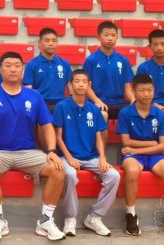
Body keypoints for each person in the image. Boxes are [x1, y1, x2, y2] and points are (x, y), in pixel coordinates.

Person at [0, 52, 67, 241]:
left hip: (28, 152)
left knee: (58, 169)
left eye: (17, 65)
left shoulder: (34, 95)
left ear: (23, 70)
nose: (13, 69)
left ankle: (45, 221)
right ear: (0, 69)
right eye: (8, 65)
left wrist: (51, 151)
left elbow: (47, 126)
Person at [53, 69, 119, 237]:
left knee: (114, 176)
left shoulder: (94, 109)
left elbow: (99, 137)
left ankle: (95, 217)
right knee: (69, 174)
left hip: (91, 157)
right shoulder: (62, 106)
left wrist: (103, 158)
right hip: (67, 156)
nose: (81, 85)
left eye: (84, 82)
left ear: (89, 85)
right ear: (70, 85)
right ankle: (70, 218)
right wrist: (69, 158)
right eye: (77, 81)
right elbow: (58, 137)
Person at [116, 73, 164, 236]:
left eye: (150, 90)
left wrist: (138, 149)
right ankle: (131, 214)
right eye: (142, 90)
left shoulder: (160, 114)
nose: (146, 94)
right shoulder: (125, 113)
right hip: (133, 157)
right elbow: (126, 142)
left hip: (154, 156)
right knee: (132, 172)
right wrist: (152, 144)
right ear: (133, 91)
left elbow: (163, 146)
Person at [82, 21, 134, 121]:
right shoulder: (91, 60)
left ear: (117, 37)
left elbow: (127, 88)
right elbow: (87, 87)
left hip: (119, 102)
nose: (110, 38)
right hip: (98, 102)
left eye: (113, 35)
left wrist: (133, 100)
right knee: (102, 114)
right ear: (98, 37)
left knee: (135, 112)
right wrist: (97, 101)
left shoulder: (123, 60)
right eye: (106, 35)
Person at [24, 28, 73, 112]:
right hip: (40, 104)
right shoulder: (32, 64)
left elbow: (71, 86)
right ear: (40, 43)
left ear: (57, 43)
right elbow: (28, 90)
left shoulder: (65, 64)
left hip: (60, 105)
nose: (51, 44)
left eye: (54, 41)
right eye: (47, 41)